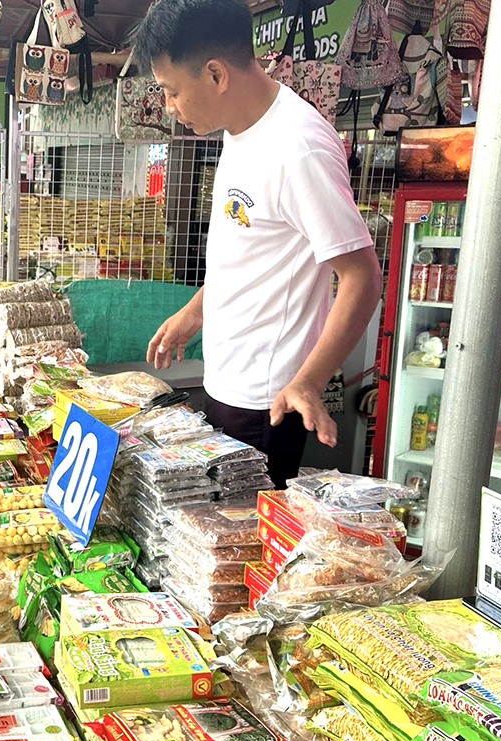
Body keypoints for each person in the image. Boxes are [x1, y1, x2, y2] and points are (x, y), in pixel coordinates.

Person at [134, 0, 383, 488]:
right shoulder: (239, 129)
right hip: (226, 380)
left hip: (268, 401)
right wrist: (195, 310)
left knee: (240, 546)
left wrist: (308, 382)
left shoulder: (299, 147)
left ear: (215, 74)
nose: (168, 106)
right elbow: (251, 251)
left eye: (171, 91)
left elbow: (362, 277)